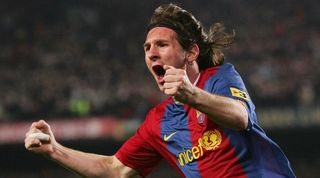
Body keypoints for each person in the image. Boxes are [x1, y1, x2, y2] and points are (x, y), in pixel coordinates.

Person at [25, 3, 296, 178]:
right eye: (146, 48)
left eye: (162, 45)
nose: (152, 54)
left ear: (191, 53)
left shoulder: (219, 78)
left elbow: (240, 117)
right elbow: (114, 169)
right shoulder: (158, 122)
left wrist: (192, 95)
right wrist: (54, 150)